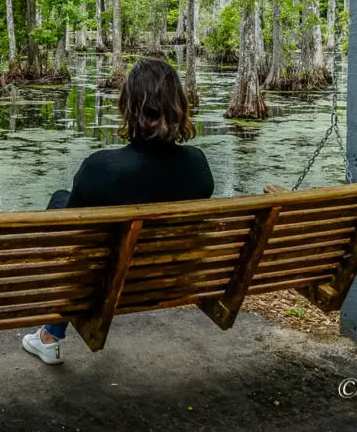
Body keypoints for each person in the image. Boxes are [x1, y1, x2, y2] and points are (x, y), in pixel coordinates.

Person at [22, 58, 214, 365]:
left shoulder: (101, 168)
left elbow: (68, 239)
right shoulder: (199, 165)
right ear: (178, 104)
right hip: (168, 278)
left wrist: (61, 200)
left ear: (128, 105)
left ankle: (50, 336)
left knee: (63, 207)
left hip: (106, 284)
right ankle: (49, 335)